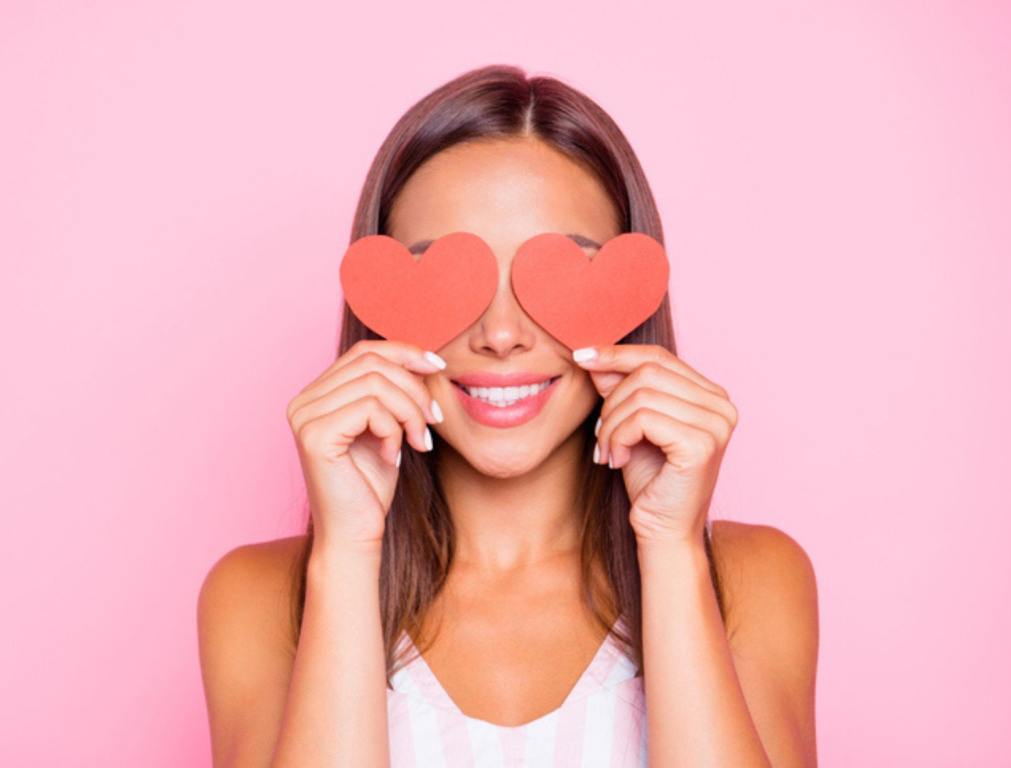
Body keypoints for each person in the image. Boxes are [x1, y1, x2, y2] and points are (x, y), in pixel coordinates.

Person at [197, 64, 819, 767]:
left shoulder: (752, 581)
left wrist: (671, 552)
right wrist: (347, 554)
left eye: (554, 274)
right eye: (447, 275)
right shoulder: (258, 600)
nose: (499, 334)